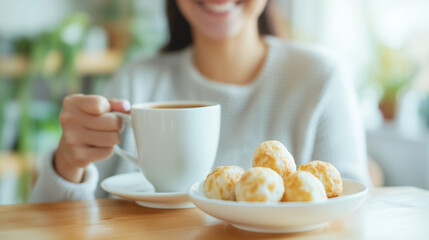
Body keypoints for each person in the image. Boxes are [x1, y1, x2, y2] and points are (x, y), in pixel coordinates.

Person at [30, 0, 371, 202]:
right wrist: (67, 163)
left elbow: (350, 207)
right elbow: (53, 223)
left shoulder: (320, 78)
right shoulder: (136, 81)